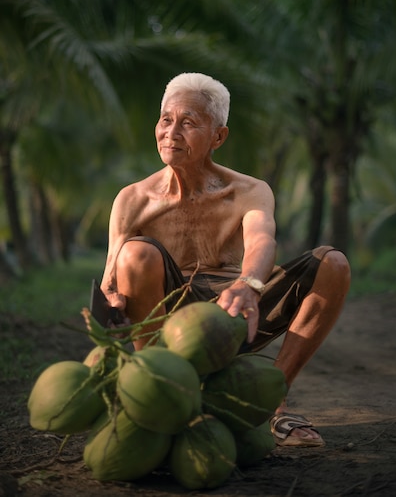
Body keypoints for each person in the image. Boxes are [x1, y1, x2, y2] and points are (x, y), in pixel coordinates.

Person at [100, 72, 351, 448]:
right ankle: (155, 389)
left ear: (218, 136)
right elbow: (109, 281)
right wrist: (111, 302)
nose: (172, 132)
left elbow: (261, 239)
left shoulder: (249, 191)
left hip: (236, 313)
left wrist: (248, 285)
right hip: (168, 320)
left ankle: (270, 400)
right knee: (134, 253)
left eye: (189, 123)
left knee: (334, 264)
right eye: (166, 120)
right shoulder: (132, 199)